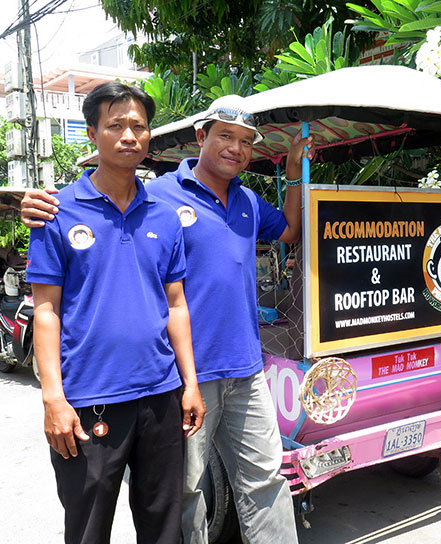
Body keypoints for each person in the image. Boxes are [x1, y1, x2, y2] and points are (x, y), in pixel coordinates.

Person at [23, 93, 313, 544]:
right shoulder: (157, 196)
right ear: (201, 137)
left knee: (264, 481)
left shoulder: (246, 203)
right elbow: (52, 301)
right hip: (176, 375)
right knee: (181, 493)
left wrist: (293, 175)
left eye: (244, 140)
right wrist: (40, 204)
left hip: (237, 369)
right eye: (224, 136)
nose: (234, 148)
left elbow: (290, 232)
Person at [28, 81, 205, 544]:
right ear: (92, 134)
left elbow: (176, 304)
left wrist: (190, 384)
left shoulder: (164, 217)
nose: (129, 135)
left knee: (164, 524)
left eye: (138, 126)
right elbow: (45, 310)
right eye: (116, 125)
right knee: (87, 528)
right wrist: (53, 399)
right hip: (89, 399)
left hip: (161, 397)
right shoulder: (56, 213)